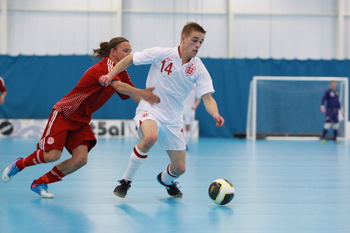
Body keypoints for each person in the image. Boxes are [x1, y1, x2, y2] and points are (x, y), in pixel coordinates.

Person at [1, 37, 160, 198]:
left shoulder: (121, 71)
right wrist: (143, 92)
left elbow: (133, 95)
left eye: (130, 51)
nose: (129, 54)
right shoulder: (105, 67)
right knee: (51, 155)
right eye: (125, 51)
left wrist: (159, 103)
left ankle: (40, 182)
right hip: (65, 113)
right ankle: (19, 164)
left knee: (80, 159)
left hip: (82, 120)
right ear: (113, 52)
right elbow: (119, 86)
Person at [99, 22, 225, 198]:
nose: (197, 45)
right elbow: (130, 59)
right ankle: (126, 181)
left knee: (180, 168)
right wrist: (110, 75)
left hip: (174, 118)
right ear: (183, 38)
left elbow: (208, 97)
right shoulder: (162, 54)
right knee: (150, 137)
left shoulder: (198, 67)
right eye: (194, 40)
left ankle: (166, 180)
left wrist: (215, 113)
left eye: (201, 42)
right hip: (151, 108)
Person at [182, 84, 201, 150]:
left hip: (190, 109)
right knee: (178, 125)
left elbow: (199, 98)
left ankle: (186, 144)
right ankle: (178, 143)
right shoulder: (182, 82)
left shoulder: (195, 86)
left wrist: (195, 106)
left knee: (188, 127)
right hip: (181, 108)